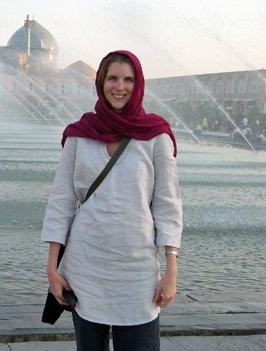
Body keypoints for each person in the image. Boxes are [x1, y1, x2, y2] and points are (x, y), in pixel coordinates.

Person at [41, 50, 182, 351]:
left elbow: (168, 205)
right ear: (101, 82)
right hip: (85, 270)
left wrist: (171, 270)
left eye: (128, 79)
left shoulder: (156, 136)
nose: (120, 86)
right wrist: (52, 269)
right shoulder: (80, 135)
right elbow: (61, 201)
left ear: (139, 84)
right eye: (112, 78)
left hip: (137, 273)